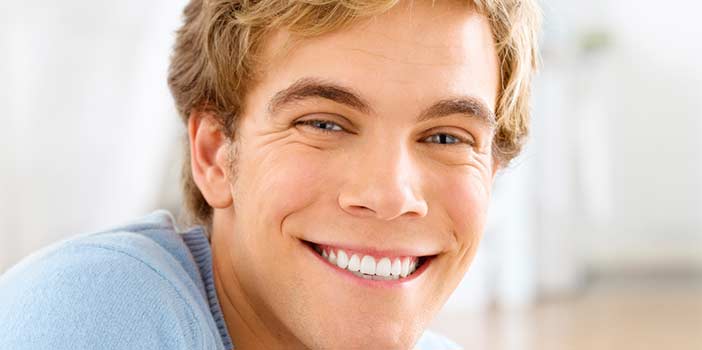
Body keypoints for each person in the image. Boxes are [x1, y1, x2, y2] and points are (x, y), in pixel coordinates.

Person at [0, 0, 540, 348]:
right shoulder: (95, 316)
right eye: (323, 124)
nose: (390, 195)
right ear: (215, 154)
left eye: (446, 138)